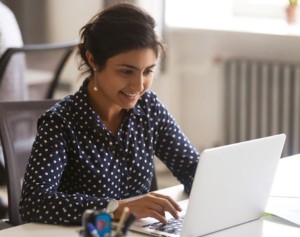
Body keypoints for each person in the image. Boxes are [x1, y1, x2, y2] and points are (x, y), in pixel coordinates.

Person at [19, 3, 200, 225]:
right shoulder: (60, 122)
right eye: (126, 71)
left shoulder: (149, 108)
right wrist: (113, 208)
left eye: (148, 71)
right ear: (94, 60)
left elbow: (193, 169)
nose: (139, 85)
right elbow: (33, 203)